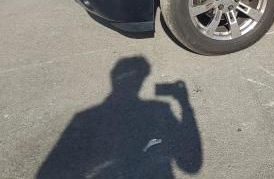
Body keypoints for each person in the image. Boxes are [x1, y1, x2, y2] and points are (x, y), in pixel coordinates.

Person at [37, 56, 202, 178]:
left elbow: (48, 172)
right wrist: (184, 104)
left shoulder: (84, 118)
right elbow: (191, 164)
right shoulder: (159, 110)